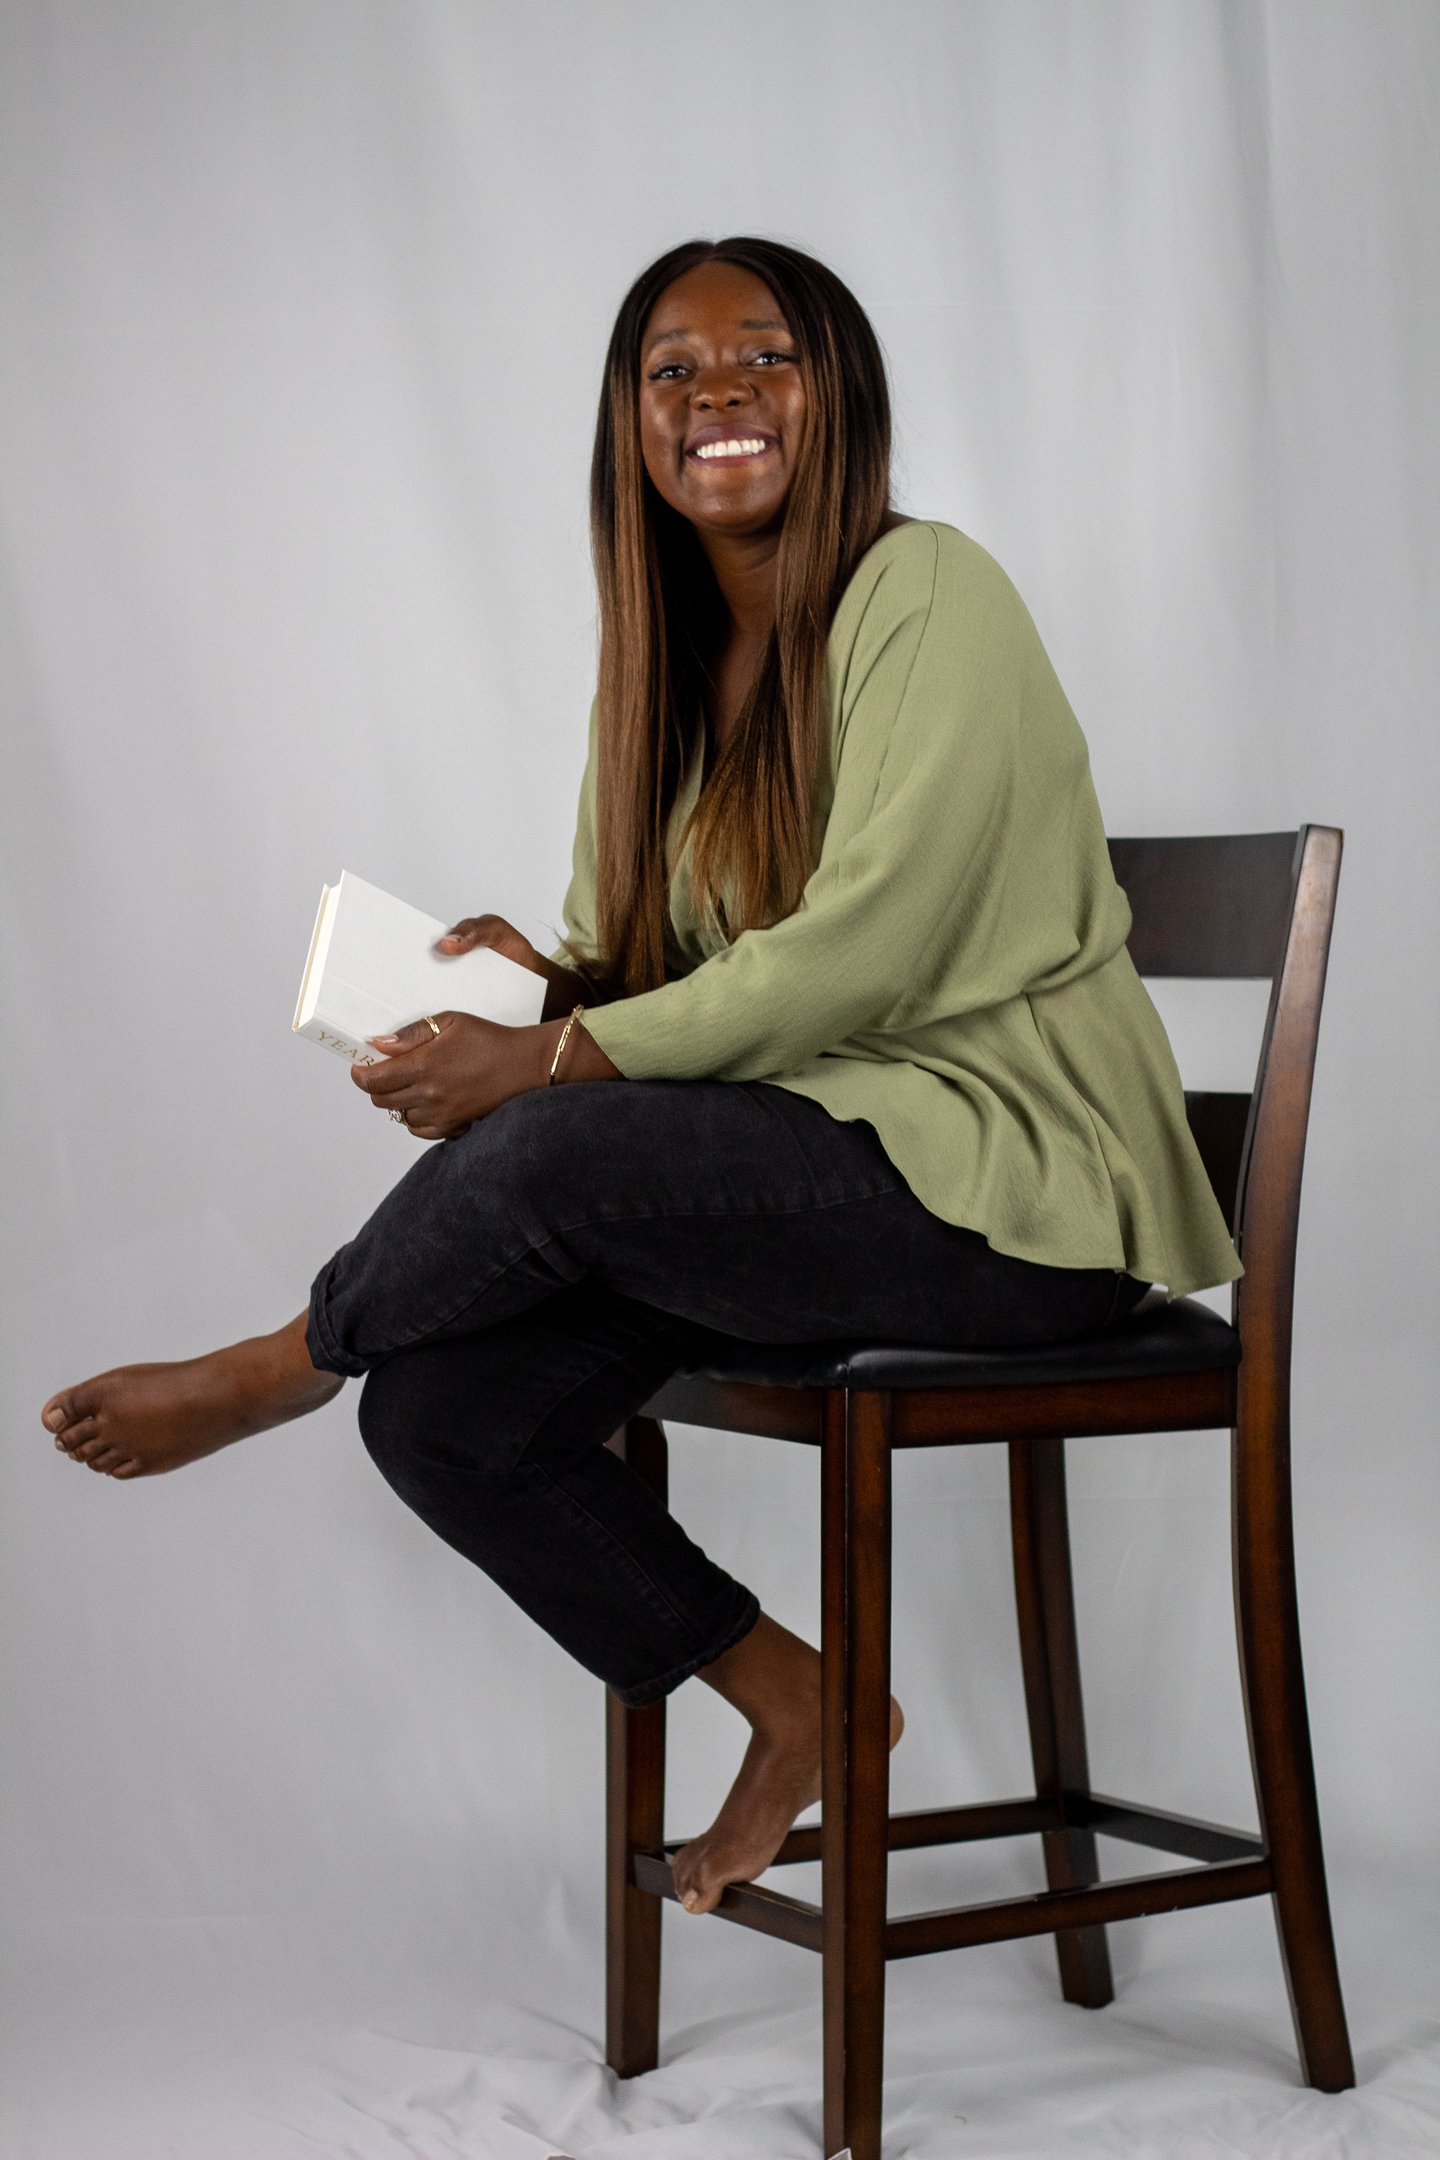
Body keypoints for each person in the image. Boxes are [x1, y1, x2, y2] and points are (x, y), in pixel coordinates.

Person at [40, 236, 1241, 1919]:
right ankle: (800, 1698)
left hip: (1013, 1209)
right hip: (814, 1179)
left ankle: (277, 1363)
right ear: (633, 427)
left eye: (767, 356)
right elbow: (646, 977)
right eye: (674, 370)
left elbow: (864, 952)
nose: (718, 393)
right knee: (442, 1417)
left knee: (542, 1155)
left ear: (840, 391)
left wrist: (549, 1056)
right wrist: (544, 990)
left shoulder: (930, 592)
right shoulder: (662, 660)